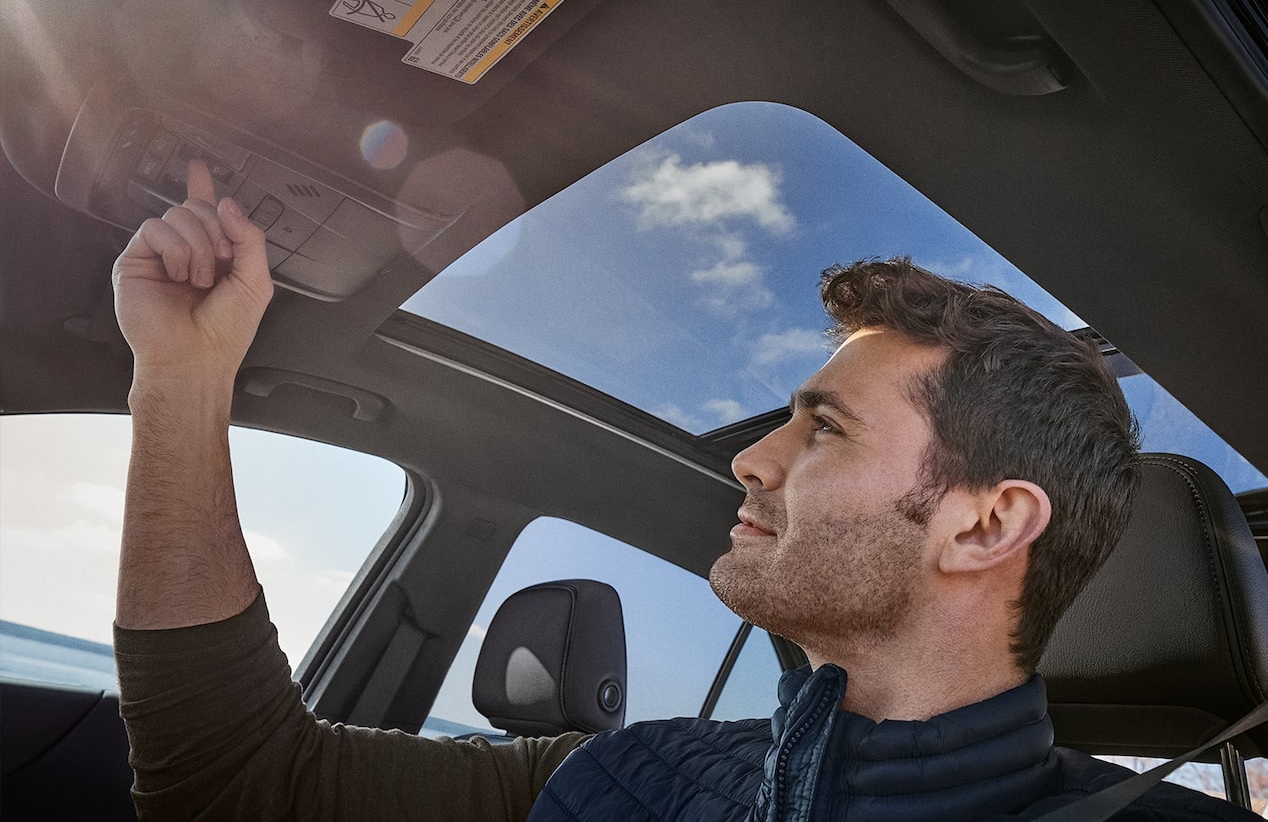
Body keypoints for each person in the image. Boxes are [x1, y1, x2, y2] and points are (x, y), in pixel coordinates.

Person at [111, 160, 1259, 820]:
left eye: (822, 427)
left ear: (986, 521)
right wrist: (181, 373)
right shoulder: (623, 771)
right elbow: (240, 786)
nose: (749, 460)